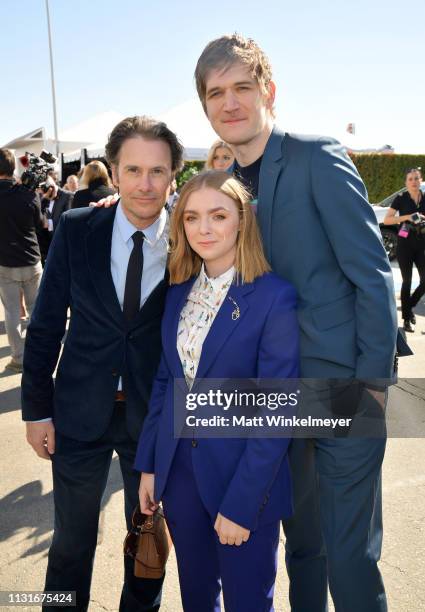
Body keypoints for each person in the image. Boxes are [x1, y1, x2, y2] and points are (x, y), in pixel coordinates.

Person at [194, 34, 397, 612]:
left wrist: (373, 386)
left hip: (341, 388)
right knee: (303, 546)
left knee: (350, 554)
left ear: (268, 91)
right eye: (216, 93)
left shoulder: (316, 156)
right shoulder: (222, 186)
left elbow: (372, 276)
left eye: (242, 87)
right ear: (205, 107)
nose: (230, 103)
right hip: (272, 398)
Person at [21, 115, 184, 612]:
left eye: (157, 171)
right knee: (70, 545)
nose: (145, 184)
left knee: (148, 548)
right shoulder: (77, 229)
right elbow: (46, 324)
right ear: (113, 172)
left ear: (173, 175)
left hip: (154, 421)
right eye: (133, 170)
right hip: (79, 414)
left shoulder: (191, 240)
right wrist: (36, 409)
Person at [136, 170, 299, 612]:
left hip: (244, 479)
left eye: (218, 215)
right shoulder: (178, 294)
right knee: (196, 596)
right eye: (191, 218)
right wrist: (151, 465)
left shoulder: (273, 297)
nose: (203, 229)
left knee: (248, 602)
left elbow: (277, 411)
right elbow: (166, 382)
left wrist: (244, 503)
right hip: (180, 476)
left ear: (241, 221)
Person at [0, 148, 45, 373]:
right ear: (12, 168)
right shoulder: (27, 193)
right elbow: (39, 222)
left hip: (5, 262)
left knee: (11, 312)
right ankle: (36, 355)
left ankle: (18, 357)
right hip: (30, 258)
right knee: (35, 310)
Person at [384, 168, 425, 332]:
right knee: (407, 281)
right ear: (406, 182)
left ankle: (409, 307)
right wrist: (407, 217)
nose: (414, 182)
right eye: (410, 179)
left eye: (416, 178)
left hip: (422, 244)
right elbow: (387, 220)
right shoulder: (400, 199)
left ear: (420, 180)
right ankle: (407, 319)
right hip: (405, 245)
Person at [37, 177, 74, 264]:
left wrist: (49, 223)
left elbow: (67, 221)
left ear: (52, 187)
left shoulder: (68, 196)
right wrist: (43, 199)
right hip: (45, 245)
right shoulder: (43, 197)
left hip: (60, 244)